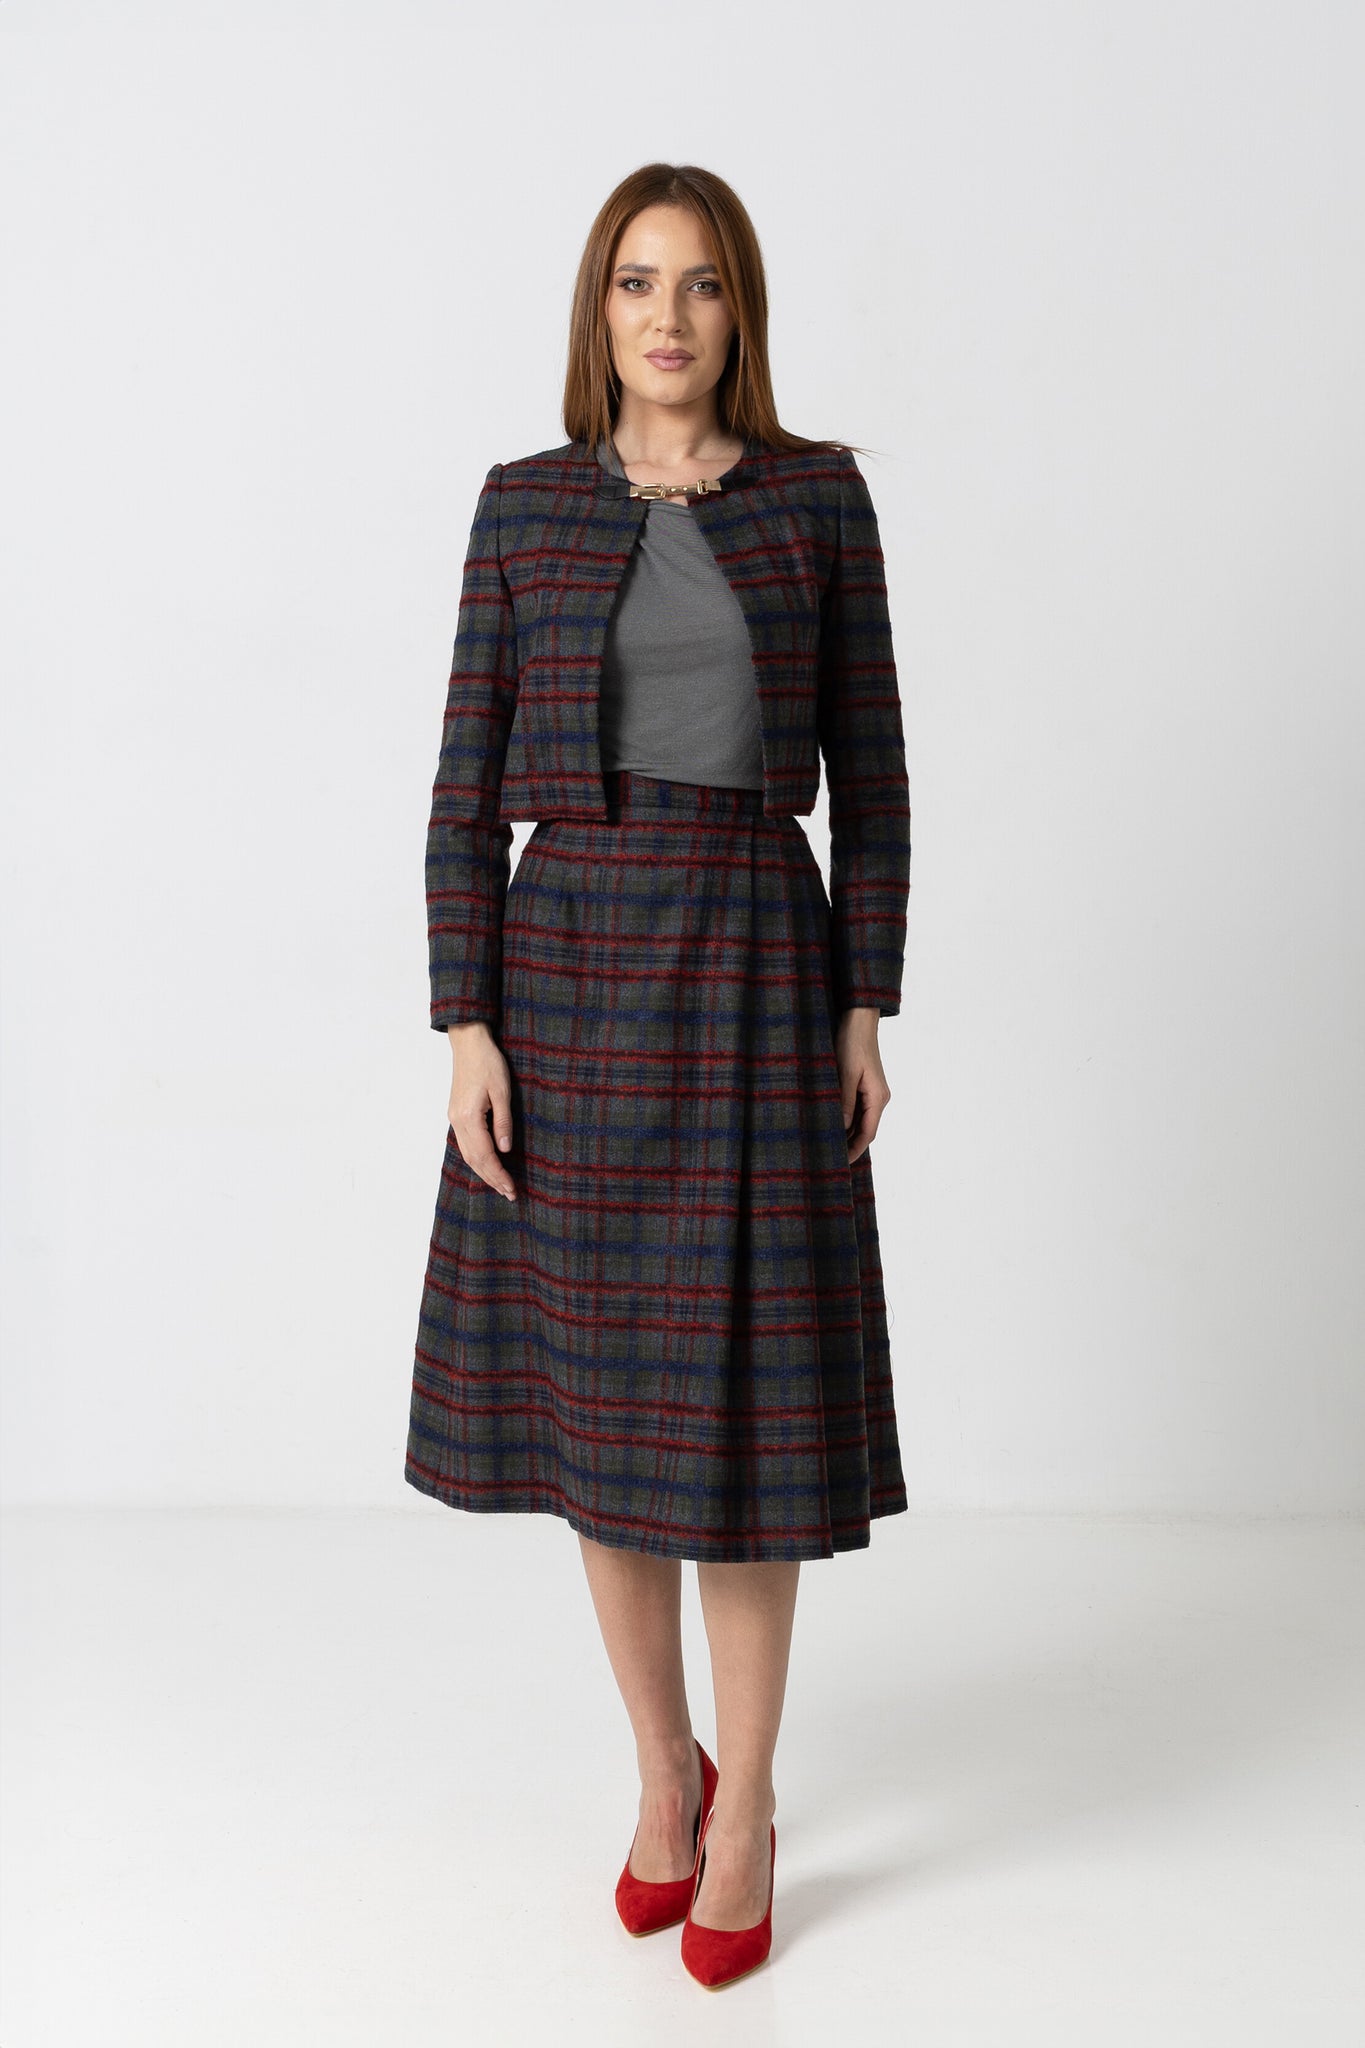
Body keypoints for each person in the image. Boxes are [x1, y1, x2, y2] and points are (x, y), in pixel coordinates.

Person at [404, 161, 911, 1989]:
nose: (668, 316)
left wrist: (864, 1006)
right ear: (597, 311)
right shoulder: (523, 506)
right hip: (567, 977)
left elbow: (875, 770)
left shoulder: (816, 499)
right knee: (599, 1411)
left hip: (761, 966)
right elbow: (462, 783)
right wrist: (466, 1019)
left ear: (737, 311)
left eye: (699, 284)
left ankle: (749, 1803)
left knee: (748, 1411)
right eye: (636, 282)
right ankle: (660, 1775)